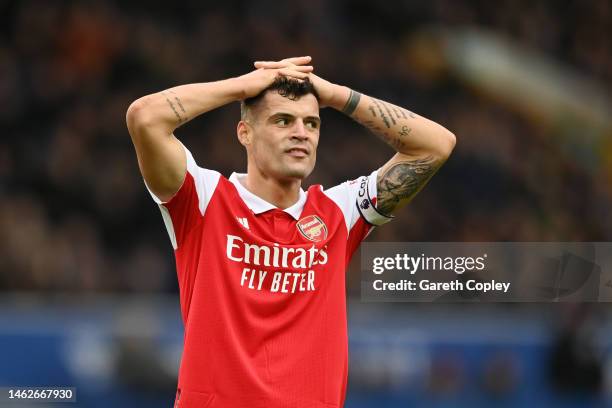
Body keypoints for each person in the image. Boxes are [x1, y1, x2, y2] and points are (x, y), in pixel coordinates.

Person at [126, 56, 455, 408]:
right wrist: (242, 86)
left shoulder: (338, 213)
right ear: (245, 133)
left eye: (311, 123)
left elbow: (436, 145)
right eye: (283, 120)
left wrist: (337, 95)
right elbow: (145, 117)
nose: (301, 133)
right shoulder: (204, 200)